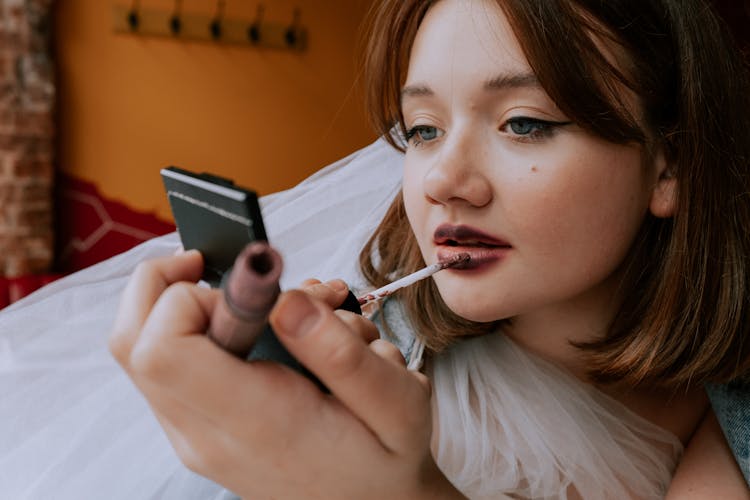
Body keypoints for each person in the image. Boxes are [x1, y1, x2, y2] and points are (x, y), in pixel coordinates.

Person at [2, 0, 749, 498]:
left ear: (669, 166)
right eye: (422, 129)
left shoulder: (727, 419)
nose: (443, 182)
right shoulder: (369, 371)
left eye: (523, 122)